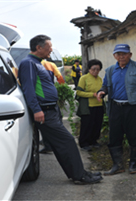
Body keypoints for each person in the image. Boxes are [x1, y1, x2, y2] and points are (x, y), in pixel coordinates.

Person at [18, 34, 103, 184]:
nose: (51, 50)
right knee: (68, 141)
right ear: (39, 47)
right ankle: (80, 176)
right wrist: (37, 110)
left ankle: (78, 174)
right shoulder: (28, 64)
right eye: (49, 47)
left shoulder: (38, 62)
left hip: (51, 109)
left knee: (60, 146)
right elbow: (29, 89)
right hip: (44, 111)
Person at [97, 44, 136, 175]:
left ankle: (133, 164)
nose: (121, 56)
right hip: (116, 108)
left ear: (130, 55)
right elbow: (105, 86)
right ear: (114, 56)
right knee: (114, 136)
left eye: (124, 53)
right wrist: (101, 92)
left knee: (134, 135)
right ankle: (117, 165)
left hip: (133, 108)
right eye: (118, 54)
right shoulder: (111, 70)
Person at [76, 59, 104, 152]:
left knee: (97, 124)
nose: (95, 71)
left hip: (99, 105)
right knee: (87, 125)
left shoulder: (100, 79)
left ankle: (93, 141)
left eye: (98, 69)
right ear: (89, 69)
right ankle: (84, 143)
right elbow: (79, 92)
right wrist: (92, 94)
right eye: (94, 69)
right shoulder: (84, 78)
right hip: (88, 106)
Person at [38, 57, 65, 154]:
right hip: (51, 96)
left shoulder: (32, 64)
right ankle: (57, 142)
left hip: (40, 97)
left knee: (43, 123)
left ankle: (48, 144)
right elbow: (60, 78)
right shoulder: (51, 65)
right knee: (57, 119)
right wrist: (62, 88)